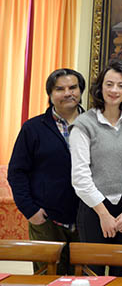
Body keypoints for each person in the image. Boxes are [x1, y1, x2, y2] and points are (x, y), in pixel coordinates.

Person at [69, 61, 122, 277]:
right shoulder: (84, 124)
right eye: (109, 84)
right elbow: (80, 177)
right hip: (94, 210)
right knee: (93, 274)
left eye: (121, 85)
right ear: (100, 87)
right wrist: (103, 214)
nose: (114, 90)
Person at [8, 68, 85, 274]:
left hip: (87, 218)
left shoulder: (94, 124)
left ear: (81, 91)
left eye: (73, 87)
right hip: (46, 221)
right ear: (50, 95)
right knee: (48, 279)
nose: (68, 93)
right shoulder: (33, 128)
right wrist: (31, 211)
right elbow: (17, 172)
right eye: (60, 89)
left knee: (85, 279)